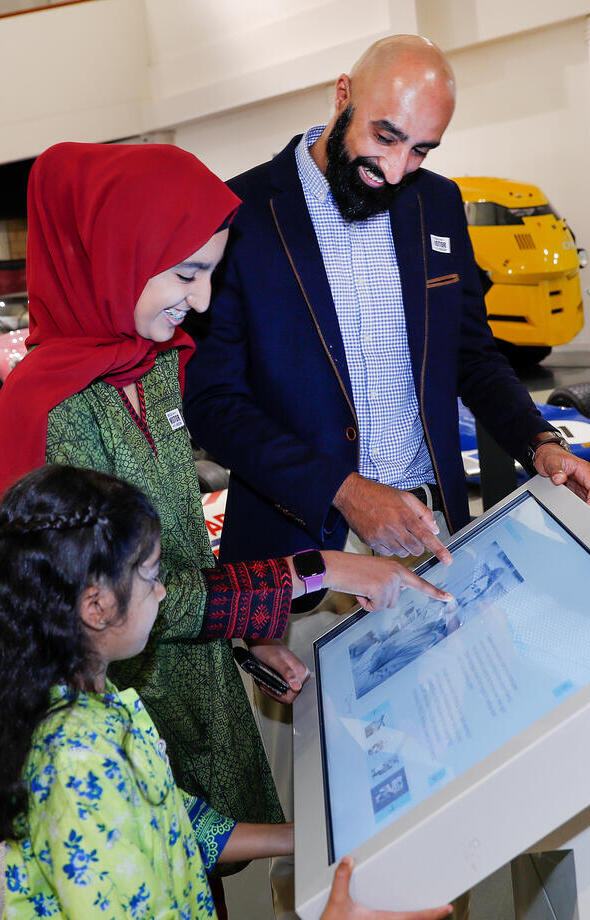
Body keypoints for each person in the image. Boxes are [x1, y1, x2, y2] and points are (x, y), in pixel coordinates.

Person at [0, 141, 452, 911]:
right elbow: (124, 595)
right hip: (119, 701)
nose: (201, 302)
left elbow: (168, 555)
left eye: (210, 272)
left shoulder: (156, 365)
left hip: (175, 702)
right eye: (185, 274)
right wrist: (322, 569)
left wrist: (244, 627)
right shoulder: (52, 413)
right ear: (117, 255)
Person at [183, 32, 590, 587]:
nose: (394, 169)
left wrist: (541, 444)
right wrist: (344, 491)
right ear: (343, 95)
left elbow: (473, 356)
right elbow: (214, 402)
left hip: (431, 532)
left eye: (421, 150)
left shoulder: (436, 203)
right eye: (384, 137)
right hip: (299, 555)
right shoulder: (241, 214)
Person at [0, 464, 453, 920]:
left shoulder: (91, 700)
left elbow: (177, 822)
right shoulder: (79, 760)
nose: (161, 593)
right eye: (151, 577)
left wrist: (315, 836)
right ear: (97, 607)